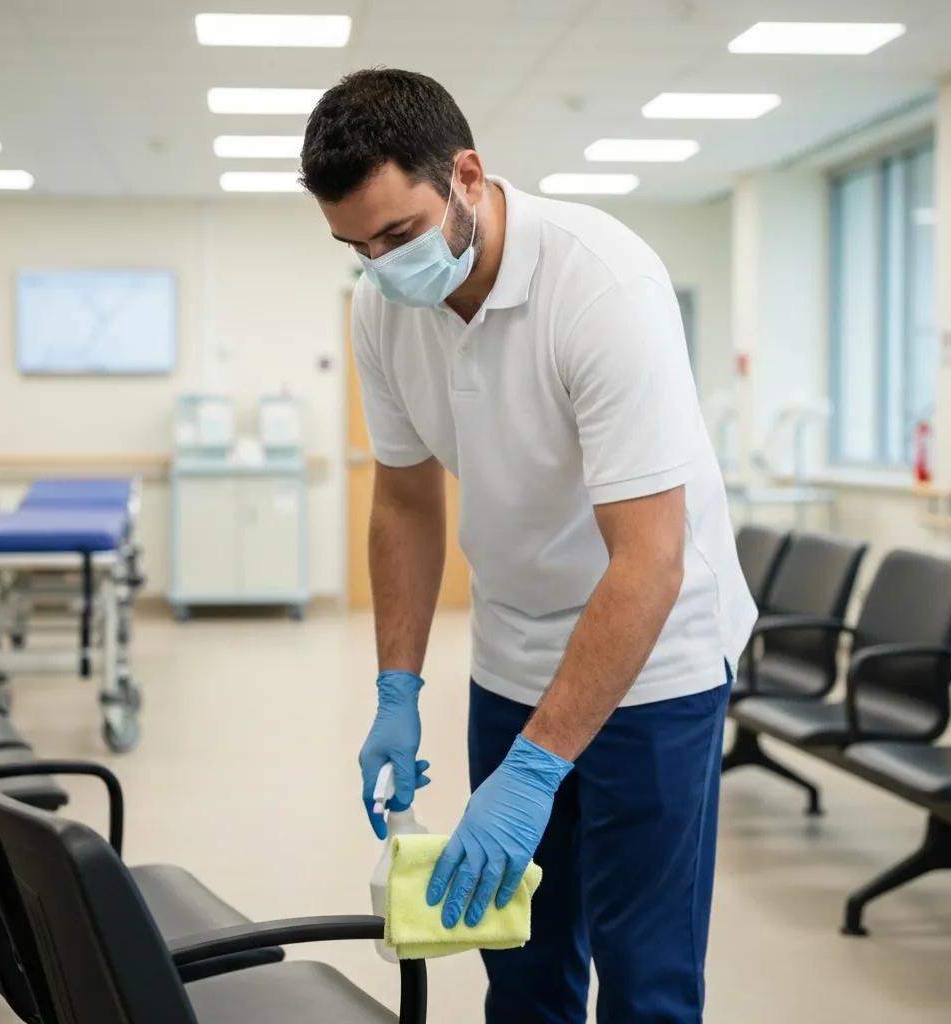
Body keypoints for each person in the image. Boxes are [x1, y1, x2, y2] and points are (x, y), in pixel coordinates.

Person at [300, 68, 756, 1024]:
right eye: (355, 248)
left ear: (466, 176)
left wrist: (539, 767)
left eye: (398, 235)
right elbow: (406, 503)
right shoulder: (384, 307)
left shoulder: (602, 285)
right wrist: (397, 687)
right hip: (511, 653)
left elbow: (650, 559)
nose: (381, 267)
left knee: (646, 976)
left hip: (654, 664)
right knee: (522, 963)